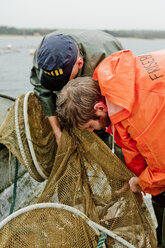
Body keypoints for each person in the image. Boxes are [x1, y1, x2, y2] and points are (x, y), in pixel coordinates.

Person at [56, 49, 165, 247]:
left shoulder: (142, 120)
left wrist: (141, 182)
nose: (91, 132)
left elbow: (163, 170)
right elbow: (137, 146)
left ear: (99, 108)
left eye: (90, 127)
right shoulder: (115, 80)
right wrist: (134, 176)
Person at [30, 29, 124, 145]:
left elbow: (120, 106)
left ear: (79, 64)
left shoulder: (107, 59)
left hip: (104, 87)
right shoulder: (45, 52)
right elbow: (43, 91)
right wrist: (57, 133)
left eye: (63, 81)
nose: (61, 88)